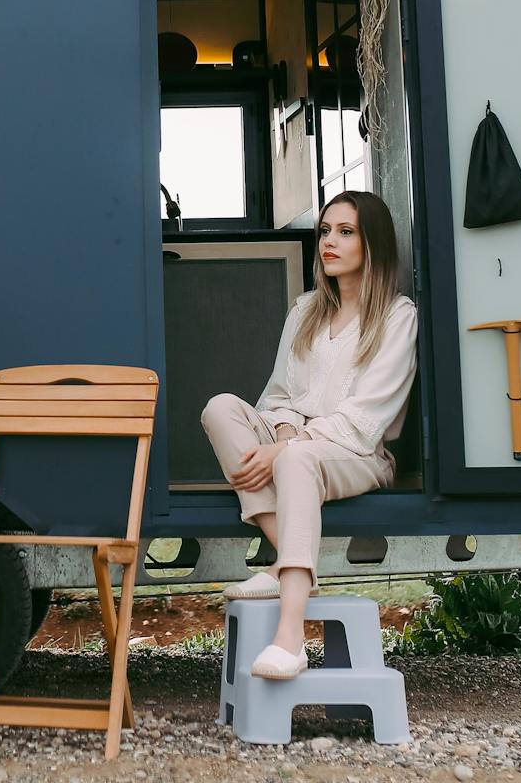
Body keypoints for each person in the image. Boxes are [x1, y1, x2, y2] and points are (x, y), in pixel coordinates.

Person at [199, 190, 417, 678]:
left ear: (373, 244)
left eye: (345, 232)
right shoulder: (305, 312)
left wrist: (286, 447)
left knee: (296, 460)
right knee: (221, 410)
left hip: (357, 454)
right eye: (324, 231)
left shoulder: (397, 317)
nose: (328, 243)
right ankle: (288, 562)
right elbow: (277, 396)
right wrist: (282, 432)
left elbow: (366, 420)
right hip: (294, 444)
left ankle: (291, 635)